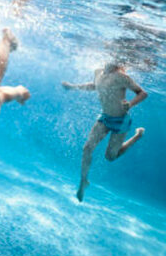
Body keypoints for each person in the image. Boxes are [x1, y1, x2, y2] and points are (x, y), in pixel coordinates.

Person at [62, 62, 148, 201]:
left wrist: (130, 104)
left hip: (121, 121)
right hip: (105, 118)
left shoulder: (122, 77)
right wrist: (73, 87)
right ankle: (83, 181)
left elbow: (143, 93)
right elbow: (94, 86)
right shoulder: (98, 72)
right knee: (87, 148)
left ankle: (137, 136)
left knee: (110, 157)